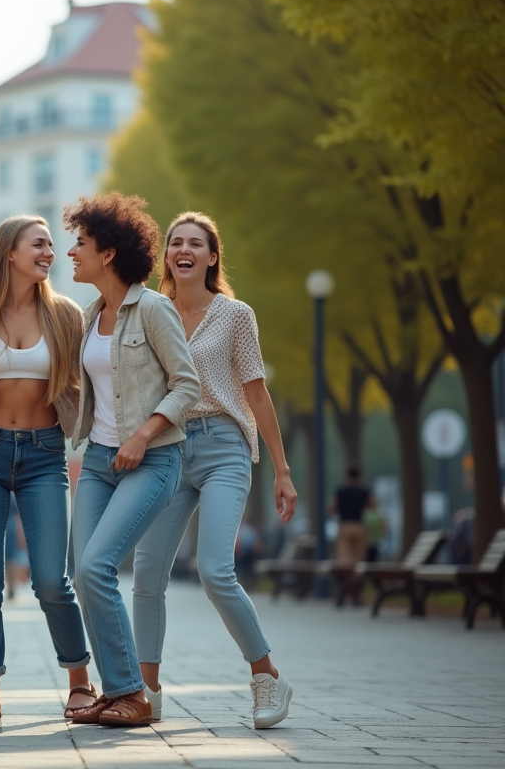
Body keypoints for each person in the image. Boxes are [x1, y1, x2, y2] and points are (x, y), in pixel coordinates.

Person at [131, 211, 299, 730]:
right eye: (175, 242)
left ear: (211, 257)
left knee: (214, 570)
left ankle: (267, 676)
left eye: (195, 243)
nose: (184, 250)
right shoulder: (150, 311)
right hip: (167, 448)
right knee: (147, 571)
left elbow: (256, 393)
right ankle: (146, 692)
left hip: (224, 445)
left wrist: (282, 470)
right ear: (166, 257)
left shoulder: (235, 315)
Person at [0, 214, 93, 722]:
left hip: (44, 453)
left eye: (51, 244)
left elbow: (93, 377)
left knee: (51, 578)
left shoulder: (66, 315)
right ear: (10, 252)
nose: (50, 252)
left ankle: (80, 682)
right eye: (40, 244)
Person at [63, 192, 201, 728]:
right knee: (83, 574)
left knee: (97, 566)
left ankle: (132, 694)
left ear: (109, 253)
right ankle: (114, 692)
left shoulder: (154, 309)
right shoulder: (90, 315)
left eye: (81, 243)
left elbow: (187, 385)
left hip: (153, 461)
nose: (72, 252)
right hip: (99, 461)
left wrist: (143, 434)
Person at [331, 466, 377, 564]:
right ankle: (356, 574)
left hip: (345, 525)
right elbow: (373, 505)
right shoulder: (364, 491)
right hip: (359, 525)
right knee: (359, 559)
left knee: (344, 558)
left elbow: (333, 507)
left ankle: (347, 573)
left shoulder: (341, 491)